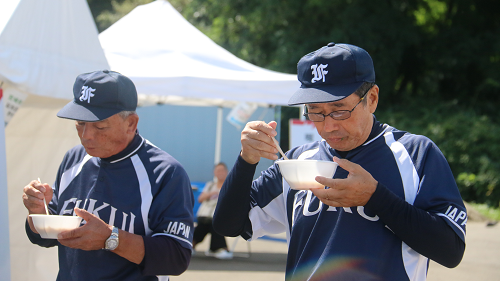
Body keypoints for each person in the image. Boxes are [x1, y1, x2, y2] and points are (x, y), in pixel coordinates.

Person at [213, 42, 467, 280]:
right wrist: (247, 160)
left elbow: (451, 250)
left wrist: (376, 197)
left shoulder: (415, 154)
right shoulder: (297, 162)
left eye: (339, 109)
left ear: (372, 99)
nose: (329, 125)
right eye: (316, 111)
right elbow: (229, 225)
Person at [22, 70, 194, 281]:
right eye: (80, 123)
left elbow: (177, 257)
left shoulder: (165, 172)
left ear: (131, 123)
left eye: (99, 126)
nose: (86, 136)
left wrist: (111, 238)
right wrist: (38, 212)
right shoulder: (74, 158)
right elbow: (49, 238)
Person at [192, 162, 232, 259]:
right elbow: (200, 199)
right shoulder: (210, 185)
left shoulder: (230, 185)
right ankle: (216, 248)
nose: (220, 173)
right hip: (205, 215)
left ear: (227, 172)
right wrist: (212, 194)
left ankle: (218, 248)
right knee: (204, 225)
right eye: (218, 170)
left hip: (221, 217)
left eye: (222, 170)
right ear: (214, 172)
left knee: (214, 224)